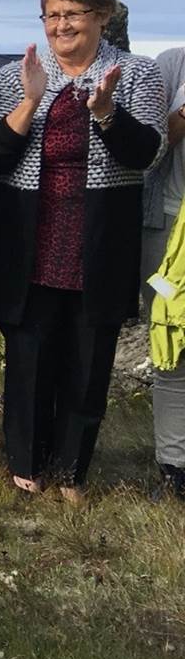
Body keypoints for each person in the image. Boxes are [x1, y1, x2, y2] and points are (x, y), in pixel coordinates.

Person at [0, 0, 164, 498]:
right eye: (53, 15)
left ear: (103, 16)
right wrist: (30, 102)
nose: (61, 25)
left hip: (99, 233)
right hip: (28, 230)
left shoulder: (138, 74)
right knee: (29, 353)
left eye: (73, 14)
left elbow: (144, 154)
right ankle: (26, 468)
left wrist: (104, 110)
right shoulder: (18, 75)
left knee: (88, 357)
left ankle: (72, 472)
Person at [142, 46, 185, 496]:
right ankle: (175, 468)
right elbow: (145, 157)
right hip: (169, 231)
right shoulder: (171, 66)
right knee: (171, 347)